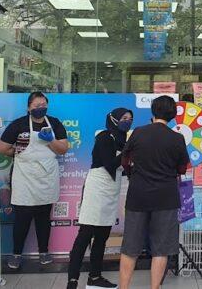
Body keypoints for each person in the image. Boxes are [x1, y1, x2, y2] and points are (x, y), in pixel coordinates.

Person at [118, 96, 190, 289]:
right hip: (166, 197)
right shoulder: (177, 138)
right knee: (161, 248)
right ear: (173, 114)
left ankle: (123, 287)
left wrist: (133, 175)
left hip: (138, 195)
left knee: (130, 246)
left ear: (153, 111)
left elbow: (125, 160)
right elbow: (182, 168)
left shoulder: (138, 132)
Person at [0, 92, 70, 270]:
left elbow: (63, 149)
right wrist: (18, 153)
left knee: (43, 218)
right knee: (22, 219)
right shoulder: (19, 124)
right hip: (24, 177)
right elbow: (2, 148)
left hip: (46, 177)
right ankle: (16, 254)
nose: (41, 108)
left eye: (43, 105)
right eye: (37, 105)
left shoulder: (54, 123)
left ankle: (44, 252)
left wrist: (50, 140)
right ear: (29, 107)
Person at [66, 108, 133, 289]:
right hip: (96, 189)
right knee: (85, 235)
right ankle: (72, 280)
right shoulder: (104, 137)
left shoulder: (123, 141)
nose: (128, 121)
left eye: (130, 119)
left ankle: (95, 277)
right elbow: (110, 164)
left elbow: (123, 168)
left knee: (102, 236)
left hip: (111, 190)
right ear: (114, 119)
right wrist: (127, 151)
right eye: (124, 118)